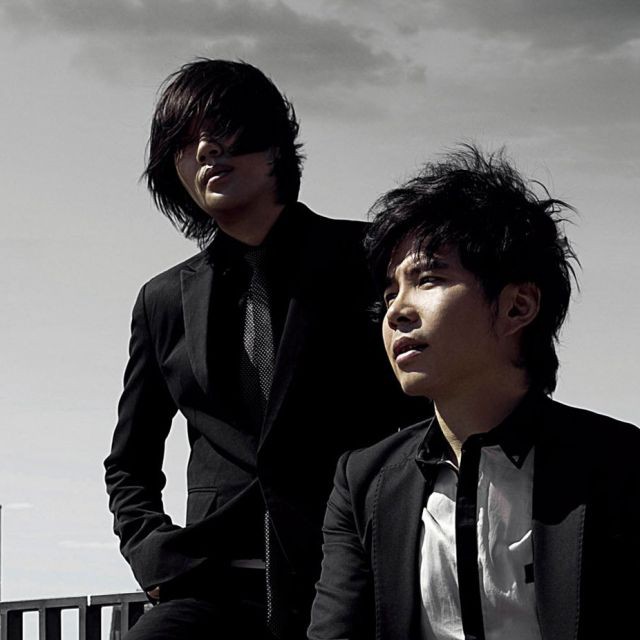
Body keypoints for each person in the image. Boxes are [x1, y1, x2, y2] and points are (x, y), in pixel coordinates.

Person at [104, 59, 422, 640]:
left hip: (354, 573)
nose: (206, 149)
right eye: (184, 141)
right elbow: (129, 460)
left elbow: (429, 405)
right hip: (211, 585)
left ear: (275, 145)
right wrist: (151, 552)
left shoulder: (371, 258)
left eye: (223, 128)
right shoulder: (162, 300)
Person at [308, 145, 640, 640]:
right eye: (390, 293)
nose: (396, 311)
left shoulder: (619, 464)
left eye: (428, 279)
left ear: (517, 307)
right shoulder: (365, 481)